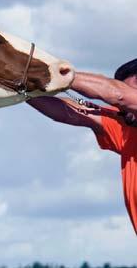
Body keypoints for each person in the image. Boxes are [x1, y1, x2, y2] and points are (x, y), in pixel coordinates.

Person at [28, 58, 137, 235]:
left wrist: (49, 73)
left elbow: (117, 94)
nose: (123, 109)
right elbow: (68, 112)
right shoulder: (126, 126)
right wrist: (18, 86)